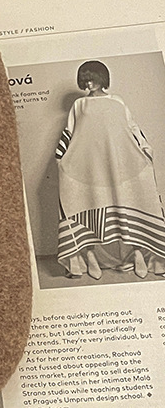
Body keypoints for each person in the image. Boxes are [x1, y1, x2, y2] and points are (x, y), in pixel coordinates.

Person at [56, 60, 165, 279]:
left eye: (92, 79)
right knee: (84, 205)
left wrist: (145, 150)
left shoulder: (117, 101)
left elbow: (132, 128)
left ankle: (138, 254)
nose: (88, 84)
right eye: (85, 80)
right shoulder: (79, 105)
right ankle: (89, 257)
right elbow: (69, 132)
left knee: (131, 203)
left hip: (119, 165)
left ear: (102, 78)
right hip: (87, 167)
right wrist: (60, 157)